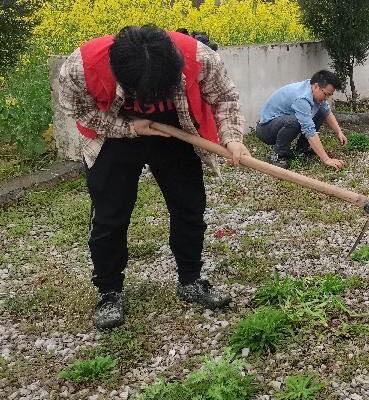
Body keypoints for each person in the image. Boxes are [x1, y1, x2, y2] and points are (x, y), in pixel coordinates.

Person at [58, 25, 250, 330]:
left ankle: (190, 279)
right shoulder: (80, 67)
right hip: (113, 132)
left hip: (174, 130)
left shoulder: (199, 57)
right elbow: (78, 110)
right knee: (110, 214)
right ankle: (109, 292)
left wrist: (233, 139)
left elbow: (225, 97)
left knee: (189, 206)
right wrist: (131, 128)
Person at [256, 70, 347, 169]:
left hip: (280, 122)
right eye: (326, 94)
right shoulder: (302, 98)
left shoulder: (313, 88)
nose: (327, 98)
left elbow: (327, 111)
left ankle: (303, 149)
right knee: (295, 121)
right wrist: (326, 159)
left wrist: (339, 132)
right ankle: (278, 155)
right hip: (265, 130)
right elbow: (309, 130)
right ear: (316, 86)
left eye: (330, 95)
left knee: (321, 112)